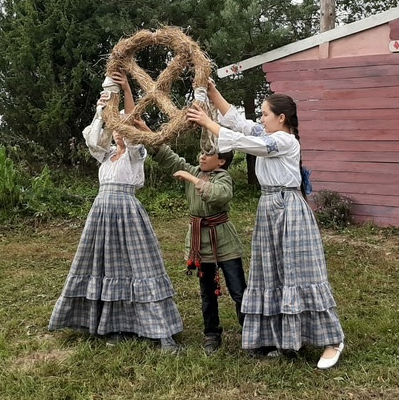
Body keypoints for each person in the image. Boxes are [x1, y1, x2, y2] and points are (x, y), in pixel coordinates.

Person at [187, 81, 345, 369]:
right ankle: (282, 337)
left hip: (288, 208)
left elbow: (250, 143)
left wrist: (209, 123)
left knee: (300, 272)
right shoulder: (269, 133)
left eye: (265, 114)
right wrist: (211, 91)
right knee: (271, 273)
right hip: (269, 207)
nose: (261, 119)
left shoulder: (285, 141)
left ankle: (332, 339)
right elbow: (239, 123)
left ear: (281, 118)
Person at [48, 72, 182, 352]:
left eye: (123, 127)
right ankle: (113, 325)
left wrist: (127, 88)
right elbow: (94, 137)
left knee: (138, 266)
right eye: (116, 127)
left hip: (127, 212)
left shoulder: (136, 154)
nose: (119, 131)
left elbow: (133, 120)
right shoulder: (106, 154)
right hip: (102, 213)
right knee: (107, 266)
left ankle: (158, 330)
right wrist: (104, 106)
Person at [142, 129, 247, 354]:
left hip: (225, 241)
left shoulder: (223, 177)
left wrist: (192, 178)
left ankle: (251, 331)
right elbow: (169, 157)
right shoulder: (195, 170)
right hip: (200, 245)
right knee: (207, 292)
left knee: (238, 290)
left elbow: (220, 195)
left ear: (221, 161)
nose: (202, 156)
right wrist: (147, 133)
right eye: (202, 152)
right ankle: (211, 334)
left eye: (208, 154)